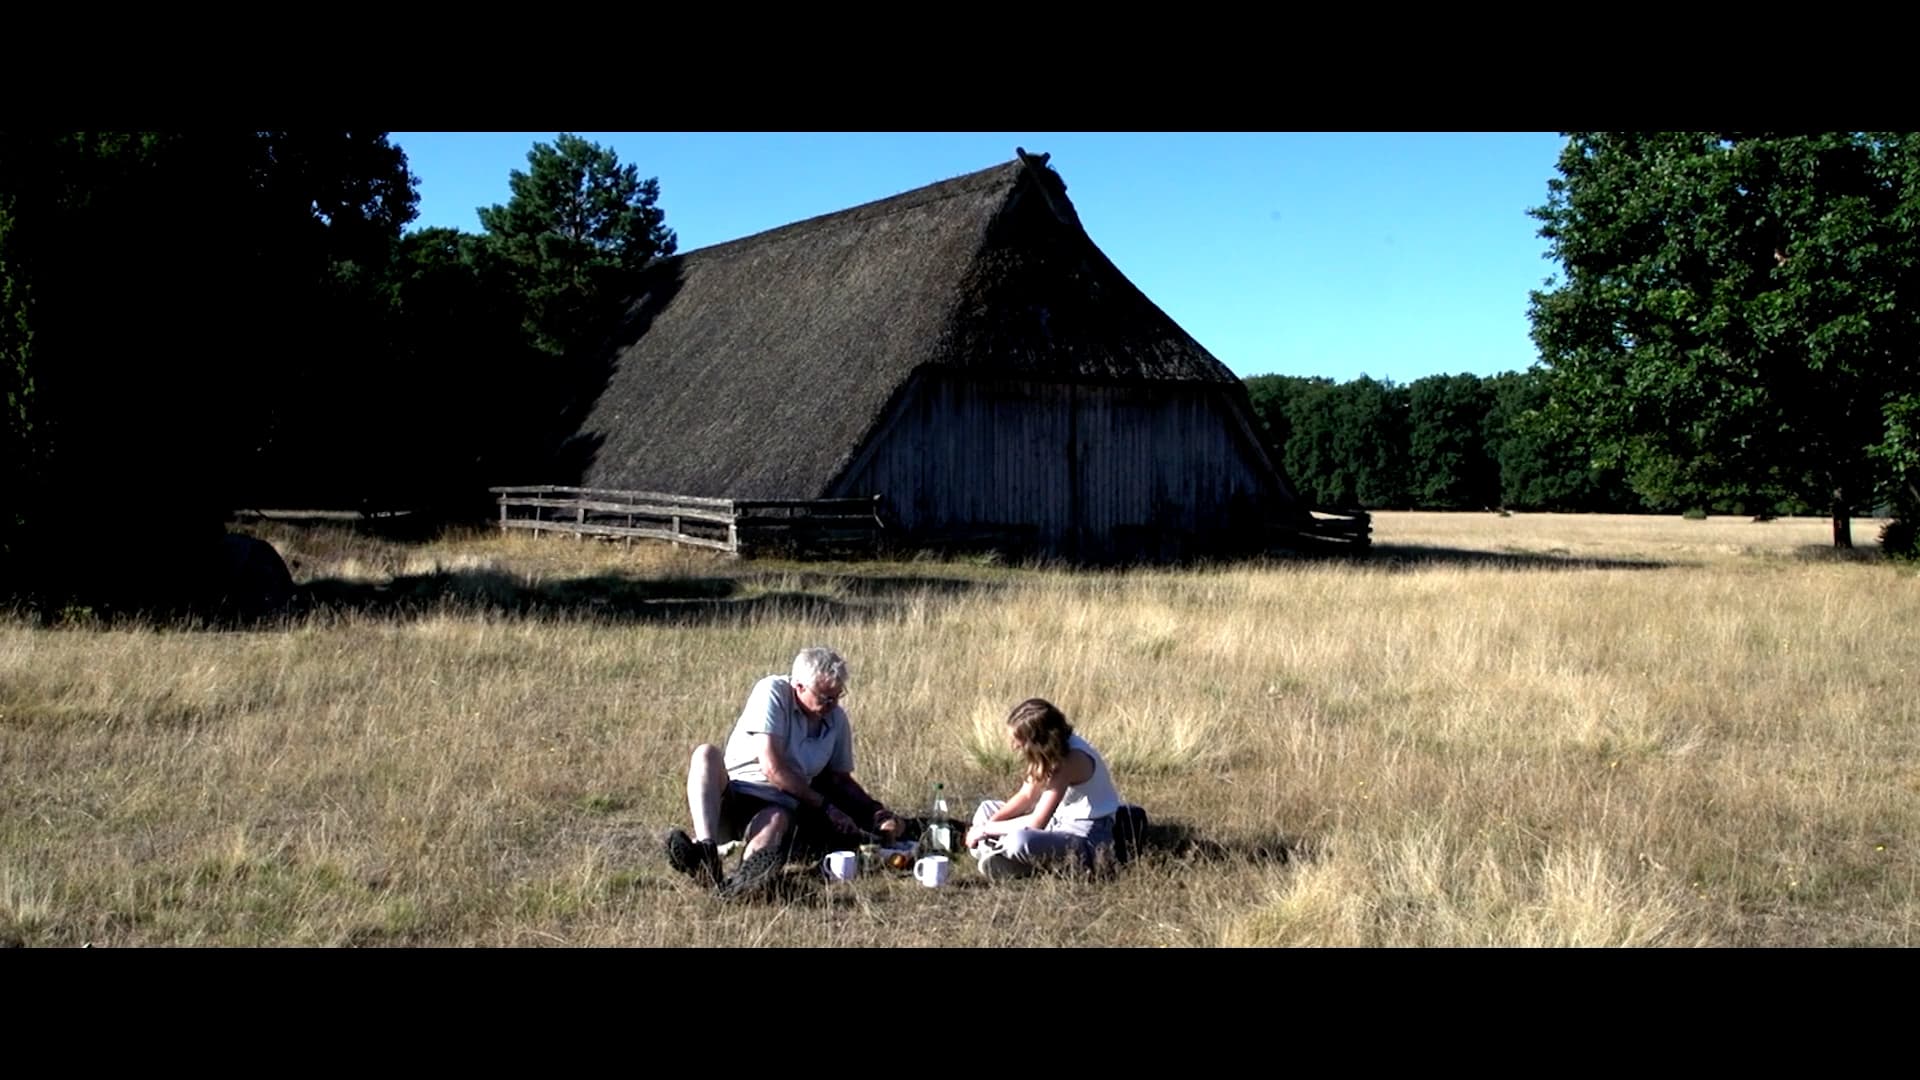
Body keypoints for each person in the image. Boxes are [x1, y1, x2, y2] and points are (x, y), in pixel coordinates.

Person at [664, 647, 904, 897]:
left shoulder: (837, 720)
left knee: (776, 819)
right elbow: (773, 768)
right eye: (824, 698)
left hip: (777, 807)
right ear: (799, 686)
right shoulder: (772, 692)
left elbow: (840, 780)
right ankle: (707, 849)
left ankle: (742, 882)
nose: (832, 705)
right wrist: (825, 807)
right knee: (706, 754)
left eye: (837, 696)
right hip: (732, 794)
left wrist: (877, 812)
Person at [965, 697, 1123, 879]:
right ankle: (1003, 855)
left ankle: (1015, 859)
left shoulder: (1071, 760)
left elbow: (1036, 822)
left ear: (1038, 740)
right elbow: (1026, 796)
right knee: (987, 808)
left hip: (1084, 834)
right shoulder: (1049, 751)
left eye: (1020, 742)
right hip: (1055, 822)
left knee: (1019, 841)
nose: (1015, 747)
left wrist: (986, 830)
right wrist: (990, 824)